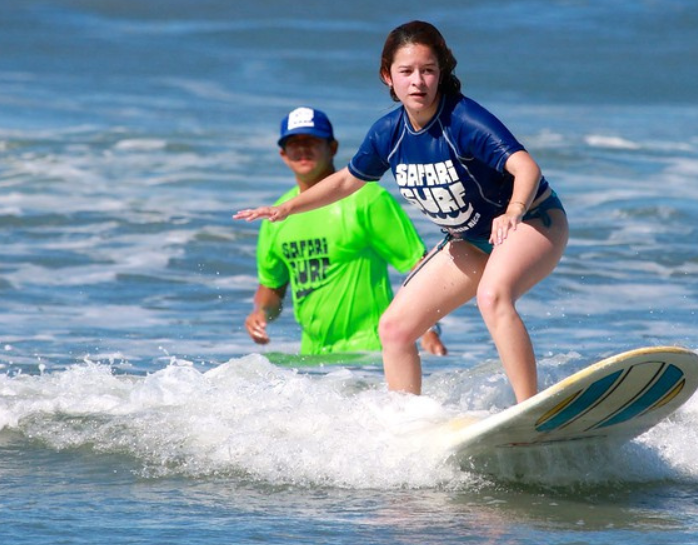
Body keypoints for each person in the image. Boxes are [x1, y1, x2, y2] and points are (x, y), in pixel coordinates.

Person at [236, 22, 568, 402]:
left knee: (492, 296)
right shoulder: (388, 134)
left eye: (427, 70)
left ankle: (531, 411)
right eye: (406, 72)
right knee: (394, 328)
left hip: (531, 223)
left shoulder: (464, 121)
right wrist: (287, 209)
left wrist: (513, 210)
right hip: (470, 241)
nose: (418, 82)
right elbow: (347, 181)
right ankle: (406, 423)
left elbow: (525, 167)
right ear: (387, 77)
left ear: (441, 73)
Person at [244, 105, 446, 359]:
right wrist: (260, 314)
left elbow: (420, 266)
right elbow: (272, 290)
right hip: (313, 359)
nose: (303, 149)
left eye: (312, 140)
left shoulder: (367, 199)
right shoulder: (277, 217)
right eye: (294, 143)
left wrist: (427, 327)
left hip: (370, 354)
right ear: (283, 154)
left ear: (333, 147)